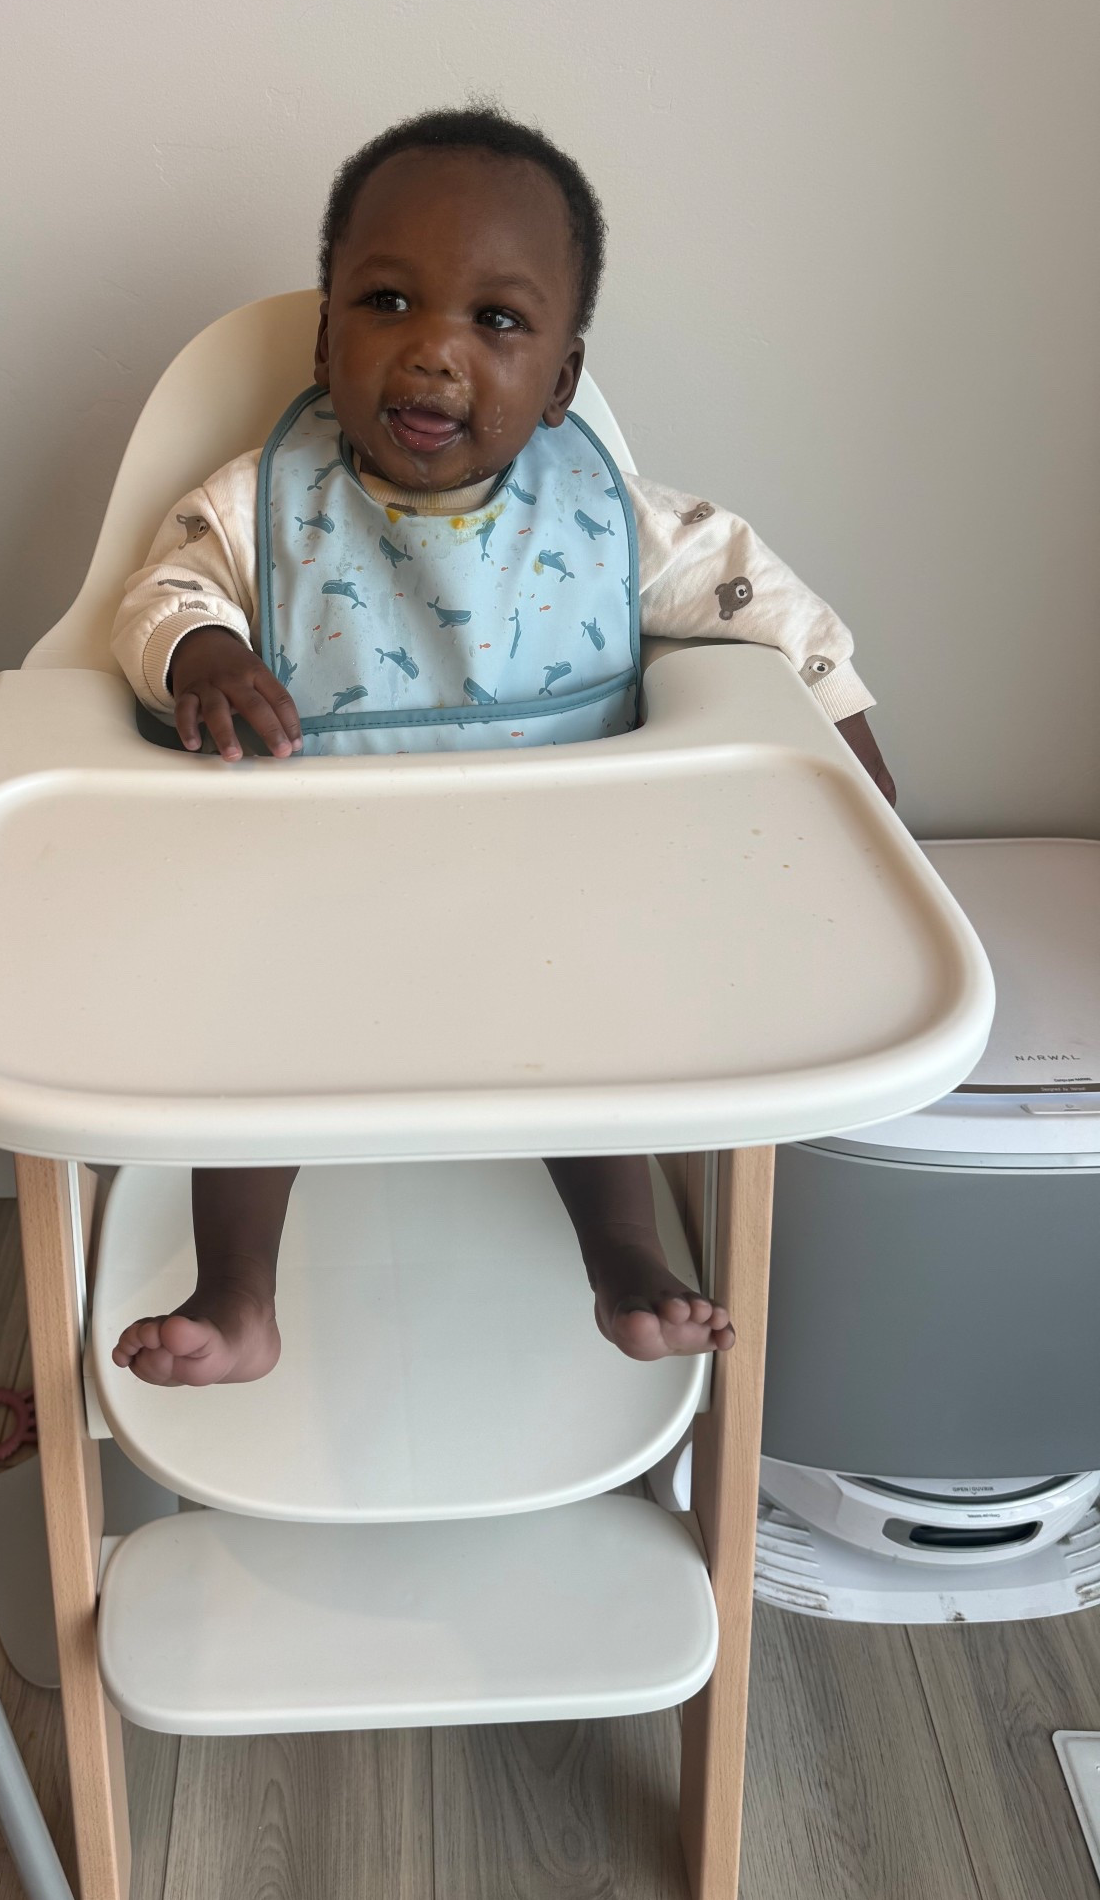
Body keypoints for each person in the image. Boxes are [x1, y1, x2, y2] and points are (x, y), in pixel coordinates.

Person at [109, 105, 895, 1388]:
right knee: (251, 1043)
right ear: (325, 334)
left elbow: (761, 596)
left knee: (596, 1049)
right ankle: (238, 1293)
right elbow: (160, 594)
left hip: (557, 904)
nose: (432, 354)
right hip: (319, 899)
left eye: (498, 321)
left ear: (564, 379)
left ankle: (625, 1258)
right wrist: (202, 655)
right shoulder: (261, 502)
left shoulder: (609, 519)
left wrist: (843, 735)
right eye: (388, 302)